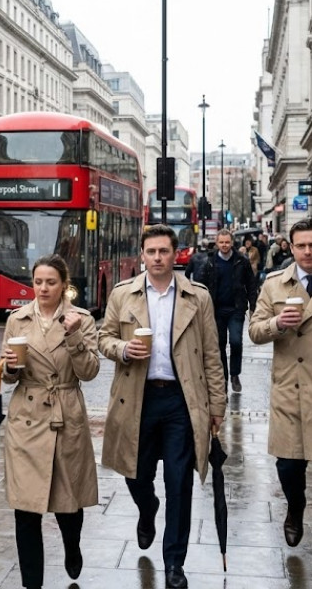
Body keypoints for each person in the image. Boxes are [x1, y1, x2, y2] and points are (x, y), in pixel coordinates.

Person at [98, 224, 226, 589]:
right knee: (135, 474)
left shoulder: (196, 297)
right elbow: (103, 337)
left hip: (180, 402)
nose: (157, 258)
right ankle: (147, 507)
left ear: (175, 254)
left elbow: (213, 356)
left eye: (163, 251)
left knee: (179, 483)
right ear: (143, 255)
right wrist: (122, 349)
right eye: (151, 252)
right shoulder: (124, 295)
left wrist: (217, 406)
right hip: (136, 398)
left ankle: (174, 564)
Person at [0, 254, 99, 588]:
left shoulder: (81, 319)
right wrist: (10, 367)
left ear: (64, 286)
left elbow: (90, 371)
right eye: (38, 282)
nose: (43, 288)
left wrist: (73, 337)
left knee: (68, 506)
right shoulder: (18, 319)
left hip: (66, 416)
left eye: (50, 282)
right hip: (27, 420)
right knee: (25, 510)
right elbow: (7, 374)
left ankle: (72, 547)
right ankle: (32, 584)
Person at [249, 217, 312, 548]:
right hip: (290, 387)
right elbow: (255, 330)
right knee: (289, 465)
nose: (307, 251)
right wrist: (277, 323)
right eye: (301, 245)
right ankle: (295, 506)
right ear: (291, 246)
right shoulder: (275, 284)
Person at [200, 229, 258, 393]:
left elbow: (251, 284)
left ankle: (234, 374)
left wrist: (253, 306)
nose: (224, 245)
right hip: (216, 310)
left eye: (227, 242)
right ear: (217, 243)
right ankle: (224, 379)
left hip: (236, 309)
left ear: (232, 243)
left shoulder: (242, 261)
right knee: (219, 346)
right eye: (221, 242)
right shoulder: (210, 261)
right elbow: (201, 286)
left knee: (236, 341)